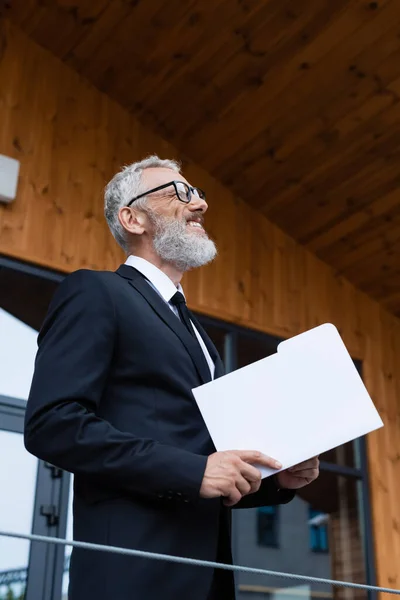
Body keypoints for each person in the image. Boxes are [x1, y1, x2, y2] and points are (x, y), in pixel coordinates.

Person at [24, 156, 319, 600]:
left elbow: (206, 463)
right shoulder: (95, 291)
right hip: (132, 574)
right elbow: (53, 423)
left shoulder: (200, 335)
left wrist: (277, 477)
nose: (199, 203)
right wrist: (193, 470)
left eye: (198, 193)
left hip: (207, 577)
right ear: (133, 218)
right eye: (179, 193)